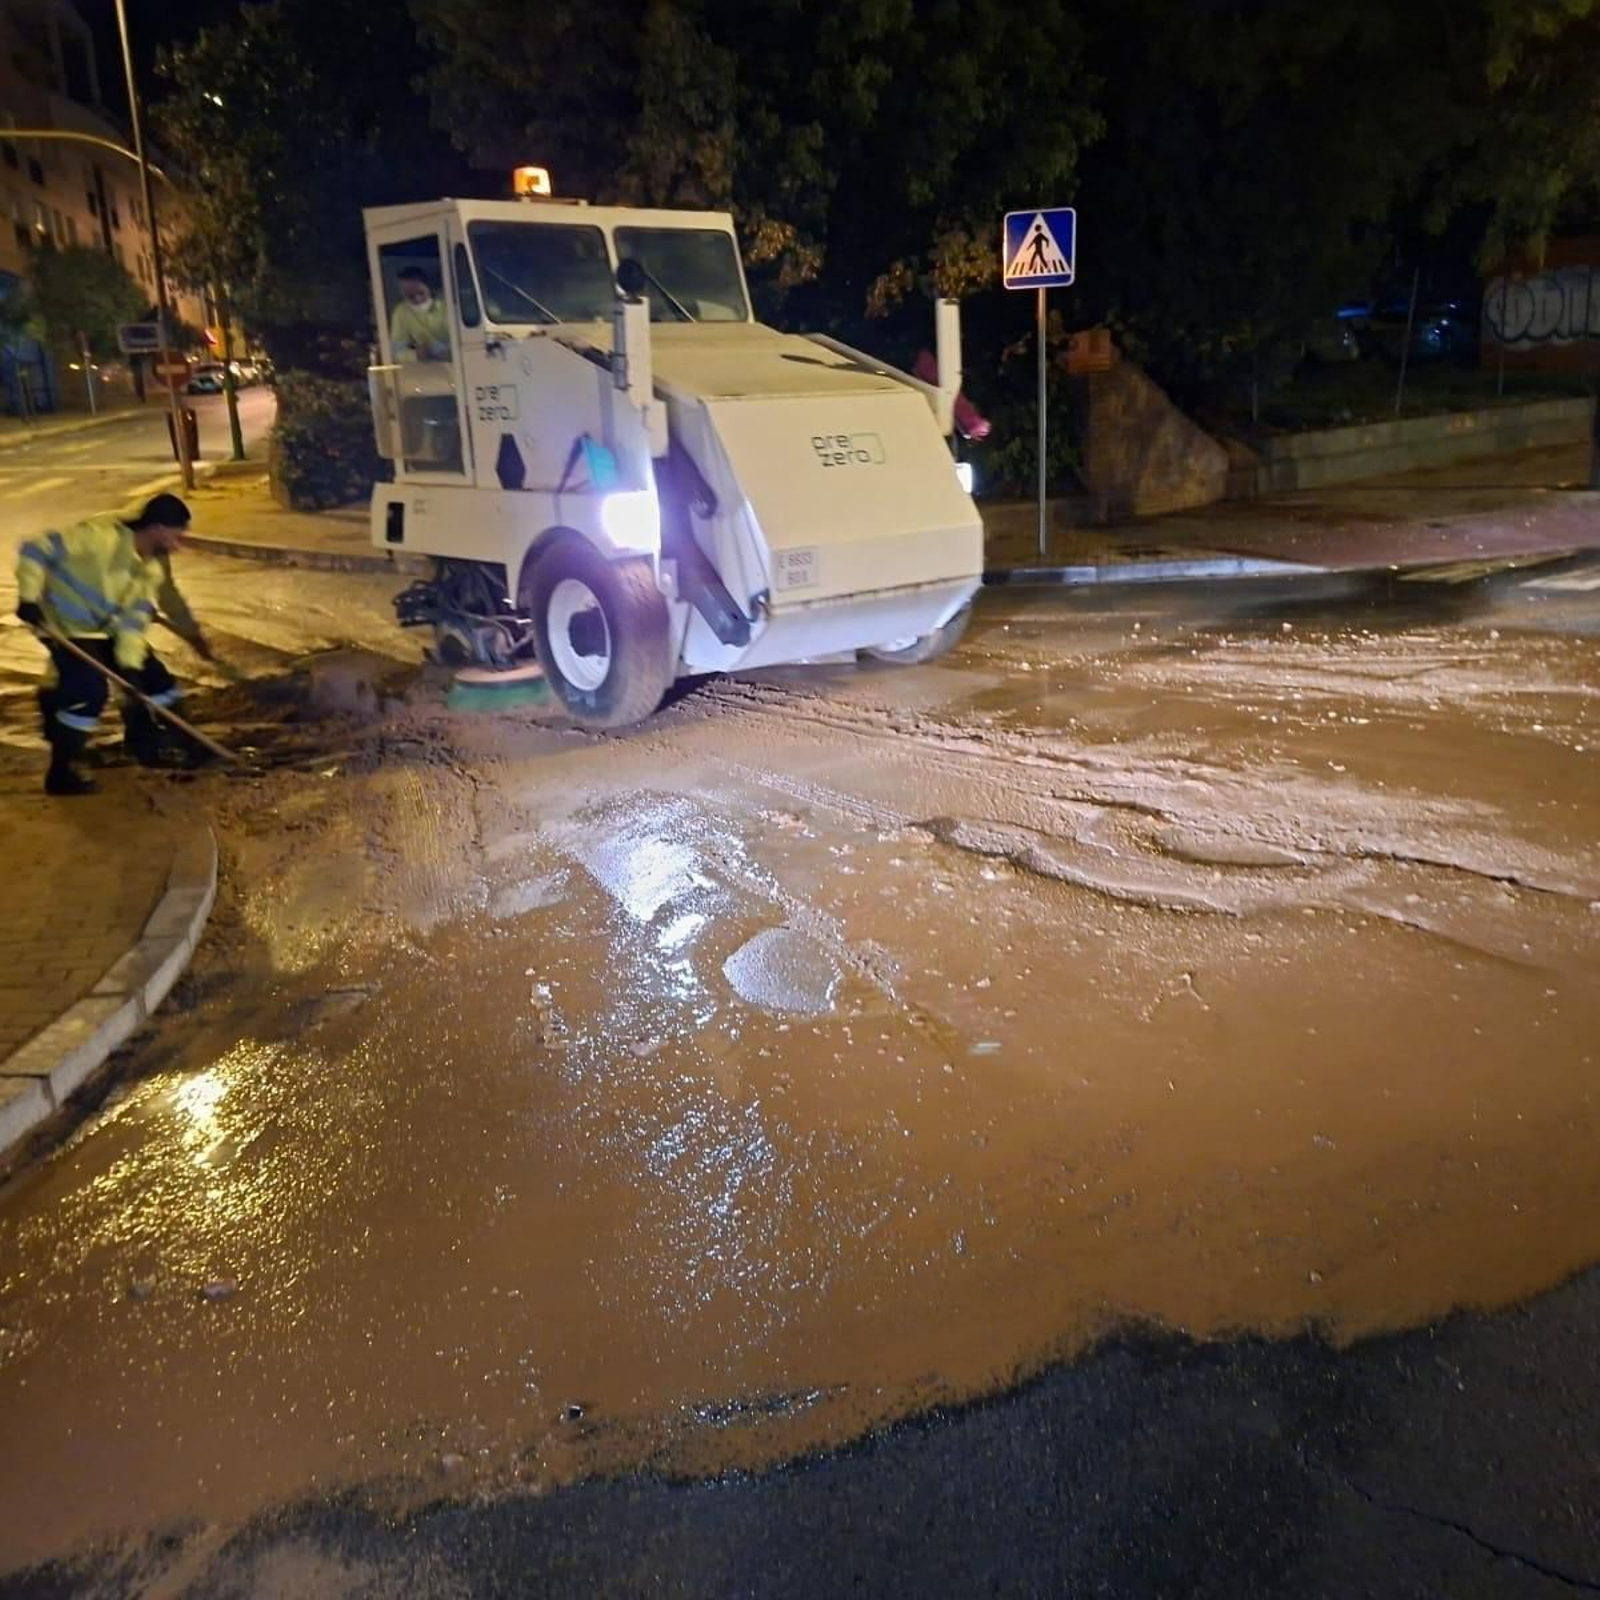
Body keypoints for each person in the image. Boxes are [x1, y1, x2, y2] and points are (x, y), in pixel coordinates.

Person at [15, 493, 197, 796]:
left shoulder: (148, 569)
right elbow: (35, 549)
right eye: (177, 536)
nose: (177, 545)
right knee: (88, 691)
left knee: (155, 678)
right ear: (159, 529)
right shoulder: (98, 539)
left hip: (104, 630)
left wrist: (130, 665)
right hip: (62, 625)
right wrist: (29, 597)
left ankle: (173, 742)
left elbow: (131, 625)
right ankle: (61, 772)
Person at [389, 265, 451, 362]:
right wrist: (415, 355)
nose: (418, 299)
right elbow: (397, 351)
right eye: (410, 296)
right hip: (422, 371)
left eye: (421, 293)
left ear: (428, 287)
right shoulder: (401, 313)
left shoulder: (448, 305)